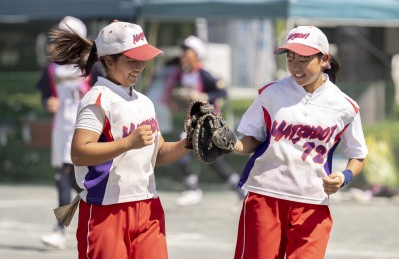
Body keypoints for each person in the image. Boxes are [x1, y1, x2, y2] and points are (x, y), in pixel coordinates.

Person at [46, 19, 191, 258]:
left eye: (142, 59)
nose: (139, 66)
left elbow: (158, 153)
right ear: (109, 61)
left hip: (148, 205)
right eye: (131, 60)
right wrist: (127, 143)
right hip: (106, 210)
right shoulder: (97, 99)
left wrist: (189, 143)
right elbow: (78, 153)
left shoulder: (144, 102)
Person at [231, 26, 368, 259]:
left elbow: (358, 155)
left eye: (304, 59)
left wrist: (344, 177)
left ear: (324, 59)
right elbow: (250, 142)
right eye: (290, 58)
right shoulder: (271, 94)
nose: (295, 66)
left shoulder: (345, 106)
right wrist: (224, 145)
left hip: (312, 203)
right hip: (265, 197)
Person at [162, 35, 246, 206]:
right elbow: (175, 95)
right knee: (191, 149)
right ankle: (197, 187)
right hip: (193, 123)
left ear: (196, 54)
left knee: (210, 157)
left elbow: (222, 93)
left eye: (187, 51)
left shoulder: (203, 74)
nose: (184, 54)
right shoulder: (182, 73)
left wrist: (203, 96)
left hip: (207, 123)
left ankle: (198, 188)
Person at [36, 16, 94, 250]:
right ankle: (102, 208)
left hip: (84, 127)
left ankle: (60, 229)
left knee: (64, 175)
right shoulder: (52, 67)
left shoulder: (92, 64)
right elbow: (44, 95)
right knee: (70, 178)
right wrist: (47, 102)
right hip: (61, 128)